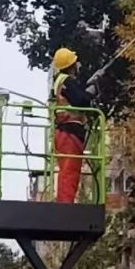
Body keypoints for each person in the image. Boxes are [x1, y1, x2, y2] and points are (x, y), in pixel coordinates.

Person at [51, 47, 96, 203]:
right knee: (70, 171)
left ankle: (64, 203)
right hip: (69, 131)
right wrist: (91, 92)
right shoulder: (66, 81)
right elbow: (80, 101)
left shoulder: (60, 81)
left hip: (64, 132)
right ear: (72, 65)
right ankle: (65, 206)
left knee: (67, 170)